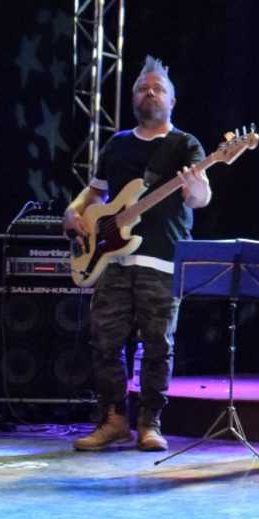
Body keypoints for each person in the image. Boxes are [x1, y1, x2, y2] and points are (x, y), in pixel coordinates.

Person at [63, 56, 211, 452]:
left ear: (172, 101)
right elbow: (95, 192)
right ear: (133, 99)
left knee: (158, 344)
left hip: (162, 260)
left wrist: (195, 186)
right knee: (105, 342)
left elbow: (200, 198)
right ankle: (113, 420)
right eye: (144, 88)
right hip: (112, 259)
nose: (150, 93)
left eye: (158, 89)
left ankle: (150, 422)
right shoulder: (118, 144)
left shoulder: (185, 145)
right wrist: (73, 210)